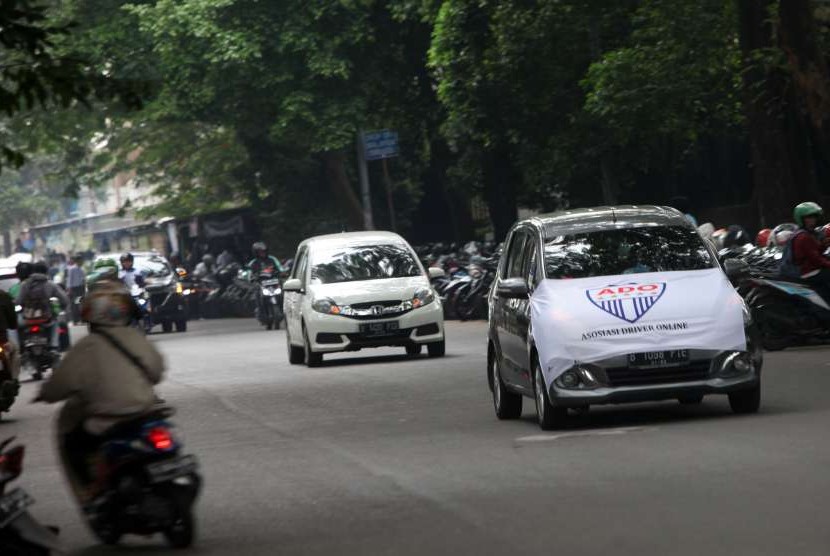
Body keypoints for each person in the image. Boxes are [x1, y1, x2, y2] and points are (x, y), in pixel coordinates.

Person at [35, 281, 165, 502]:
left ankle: (90, 491)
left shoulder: (87, 346)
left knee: (72, 440)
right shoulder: (136, 339)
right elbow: (156, 371)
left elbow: (61, 383)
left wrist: (45, 394)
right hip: (146, 409)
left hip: (106, 419)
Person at [16, 261, 70, 351]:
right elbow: (64, 299)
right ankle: (53, 346)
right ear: (46, 272)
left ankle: (19, 348)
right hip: (46, 318)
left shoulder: (24, 284)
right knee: (56, 322)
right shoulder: (51, 284)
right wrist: (62, 307)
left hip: (27, 319)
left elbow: (18, 301)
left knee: (15, 326)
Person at [789, 202, 830, 300]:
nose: (813, 220)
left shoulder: (805, 234)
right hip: (810, 272)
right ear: (801, 219)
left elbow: (814, 252)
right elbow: (816, 259)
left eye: (814, 217)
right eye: (809, 217)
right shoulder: (803, 237)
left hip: (811, 270)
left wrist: (824, 245)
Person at [0, 288, 20, 382]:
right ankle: (14, 380)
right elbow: (13, 321)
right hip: (2, 339)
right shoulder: (3, 295)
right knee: (15, 350)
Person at [66, 255, 86, 324]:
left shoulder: (82, 269)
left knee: (80, 304)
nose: (82, 262)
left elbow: (83, 280)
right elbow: (69, 279)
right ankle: (75, 320)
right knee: (75, 305)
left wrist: (85, 288)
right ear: (77, 261)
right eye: (81, 261)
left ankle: (81, 319)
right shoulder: (72, 269)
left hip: (81, 288)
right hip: (74, 289)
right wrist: (69, 289)